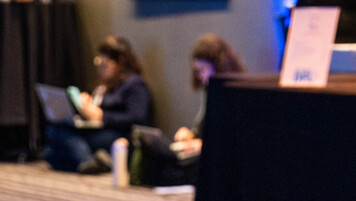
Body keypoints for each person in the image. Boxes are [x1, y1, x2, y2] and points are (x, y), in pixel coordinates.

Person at [131, 34, 246, 188]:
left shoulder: (236, 93)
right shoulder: (210, 92)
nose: (202, 76)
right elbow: (203, 130)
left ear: (219, 65)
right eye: (198, 72)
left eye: (204, 70)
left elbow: (235, 139)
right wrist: (190, 135)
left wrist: (202, 144)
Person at [44, 36, 153, 175]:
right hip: (97, 131)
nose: (100, 68)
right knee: (52, 143)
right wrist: (85, 104)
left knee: (58, 138)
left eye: (104, 63)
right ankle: (94, 161)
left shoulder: (134, 84)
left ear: (120, 62)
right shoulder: (104, 86)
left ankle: (86, 160)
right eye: (98, 63)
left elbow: (138, 118)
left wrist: (102, 116)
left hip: (119, 136)